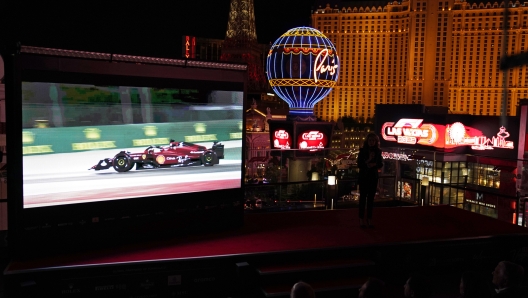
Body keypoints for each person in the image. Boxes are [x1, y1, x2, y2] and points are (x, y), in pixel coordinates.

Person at [357, 132, 383, 228]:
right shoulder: (362, 151)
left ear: (376, 142)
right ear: (367, 141)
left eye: (373, 140)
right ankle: (361, 219)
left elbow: (380, 164)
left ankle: (369, 219)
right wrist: (368, 160)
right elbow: (359, 164)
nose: (371, 142)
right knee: (363, 199)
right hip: (364, 177)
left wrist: (375, 164)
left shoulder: (378, 151)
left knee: (371, 200)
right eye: (370, 140)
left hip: (373, 177)